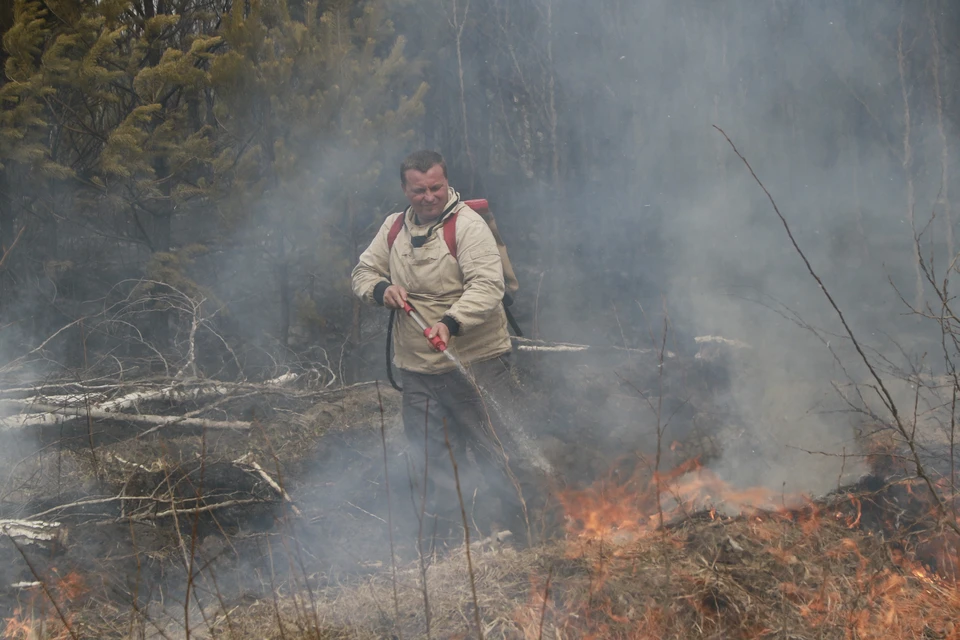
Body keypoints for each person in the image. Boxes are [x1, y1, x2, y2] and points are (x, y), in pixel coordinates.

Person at [351, 150, 538, 542]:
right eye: (419, 190)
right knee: (430, 463)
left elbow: (488, 286)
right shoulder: (393, 229)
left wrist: (449, 324)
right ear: (405, 189)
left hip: (477, 362)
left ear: (446, 183)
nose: (429, 196)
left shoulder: (468, 226)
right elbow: (364, 271)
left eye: (436, 187)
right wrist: (382, 289)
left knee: (497, 452)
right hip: (418, 372)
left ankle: (527, 536)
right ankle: (450, 547)